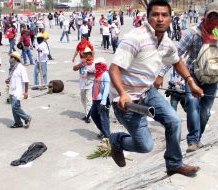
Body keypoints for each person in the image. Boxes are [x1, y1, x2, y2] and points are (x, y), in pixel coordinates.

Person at [109, 0, 203, 176]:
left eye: (164, 15)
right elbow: (113, 69)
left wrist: (190, 81)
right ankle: (116, 140)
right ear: (147, 17)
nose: (160, 19)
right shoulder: (135, 38)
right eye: (155, 14)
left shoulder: (166, 41)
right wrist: (122, 94)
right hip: (127, 102)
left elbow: (176, 60)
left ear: (170, 18)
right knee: (145, 146)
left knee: (174, 121)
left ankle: (174, 163)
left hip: (147, 92)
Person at [154, 2, 218, 153]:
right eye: (211, 17)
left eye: (217, 17)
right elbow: (175, 55)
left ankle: (198, 137)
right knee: (192, 104)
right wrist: (161, 74)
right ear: (204, 17)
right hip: (193, 77)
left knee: (206, 112)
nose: (213, 20)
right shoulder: (192, 33)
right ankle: (193, 141)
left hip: (213, 79)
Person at [6, 51, 32, 128]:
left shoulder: (21, 67)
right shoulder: (12, 67)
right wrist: (8, 80)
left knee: (15, 107)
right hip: (12, 89)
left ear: (16, 59)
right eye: (10, 57)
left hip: (18, 90)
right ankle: (18, 123)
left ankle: (27, 117)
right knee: (14, 108)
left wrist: (26, 92)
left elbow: (26, 80)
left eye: (12, 57)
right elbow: (12, 77)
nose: (10, 59)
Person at [73, 47, 95, 124]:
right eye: (85, 54)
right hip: (82, 84)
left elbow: (99, 72)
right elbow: (74, 68)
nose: (86, 56)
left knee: (89, 99)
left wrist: (91, 73)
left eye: (88, 54)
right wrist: (81, 64)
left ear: (90, 54)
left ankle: (89, 116)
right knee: (83, 100)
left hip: (90, 83)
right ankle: (86, 114)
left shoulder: (94, 62)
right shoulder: (81, 61)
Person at [91, 57, 111, 139]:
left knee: (104, 118)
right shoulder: (97, 74)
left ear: (102, 65)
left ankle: (107, 136)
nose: (96, 66)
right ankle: (103, 131)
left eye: (98, 64)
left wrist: (103, 101)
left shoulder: (105, 74)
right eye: (95, 64)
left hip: (101, 100)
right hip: (95, 99)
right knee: (93, 115)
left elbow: (107, 88)